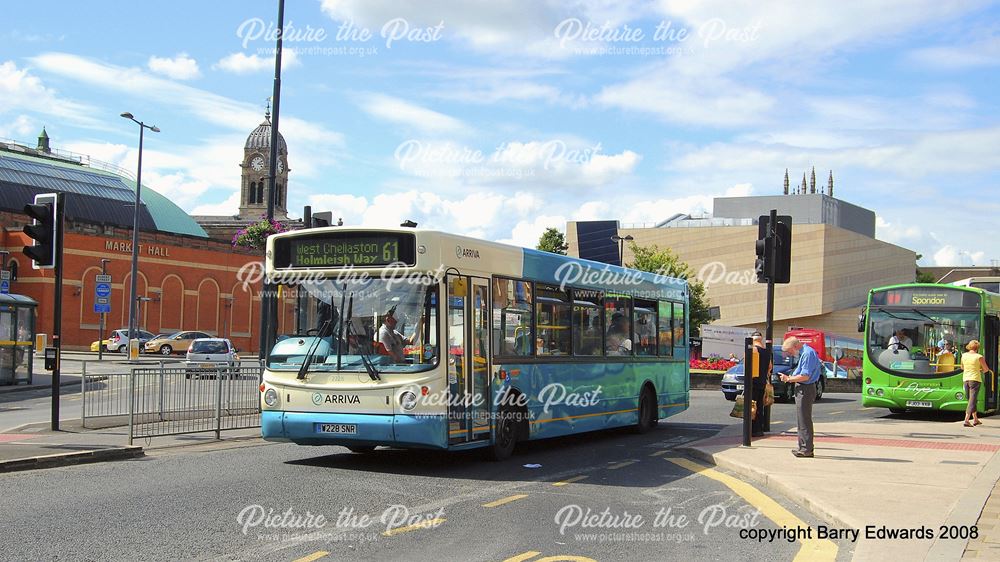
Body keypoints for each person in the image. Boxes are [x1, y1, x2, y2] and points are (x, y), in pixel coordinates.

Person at [780, 336, 823, 458]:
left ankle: (806, 449)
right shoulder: (806, 352)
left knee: (804, 420)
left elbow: (805, 376)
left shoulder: (808, 354)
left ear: (795, 346)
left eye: (789, 351)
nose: (789, 354)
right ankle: (804, 447)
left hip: (806, 388)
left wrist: (788, 379)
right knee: (802, 419)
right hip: (804, 388)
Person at [962, 340, 993, 427]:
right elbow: (986, 369)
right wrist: (979, 369)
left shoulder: (964, 356)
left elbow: (962, 367)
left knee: (971, 399)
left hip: (965, 379)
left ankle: (975, 419)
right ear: (977, 348)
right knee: (972, 399)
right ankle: (966, 419)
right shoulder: (979, 357)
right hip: (975, 379)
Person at [749, 332, 772, 437]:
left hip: (752, 382)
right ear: (761, 339)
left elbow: (748, 366)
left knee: (751, 406)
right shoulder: (767, 352)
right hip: (762, 382)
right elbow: (770, 367)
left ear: (753, 339)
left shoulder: (753, 349)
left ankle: (751, 429)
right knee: (759, 406)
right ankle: (759, 429)